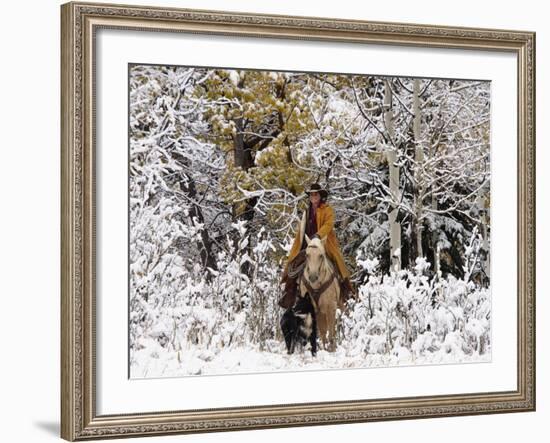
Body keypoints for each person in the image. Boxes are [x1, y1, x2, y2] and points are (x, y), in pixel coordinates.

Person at [279, 183, 355, 309]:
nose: (313, 197)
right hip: (307, 246)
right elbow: (302, 230)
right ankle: (289, 296)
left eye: (316, 194)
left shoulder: (327, 210)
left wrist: (319, 235)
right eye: (311, 194)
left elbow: (328, 224)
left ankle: (346, 292)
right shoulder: (306, 212)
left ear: (320, 196)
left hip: (324, 244)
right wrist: (302, 244)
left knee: (338, 263)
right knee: (293, 267)